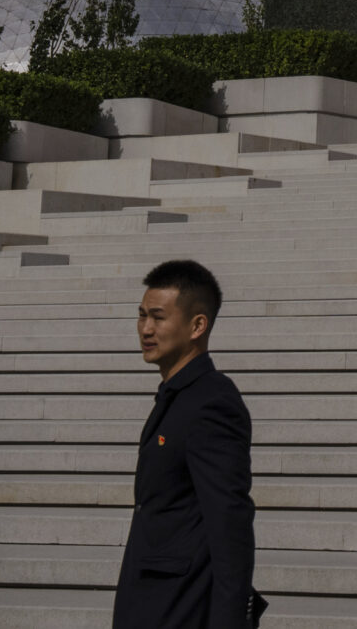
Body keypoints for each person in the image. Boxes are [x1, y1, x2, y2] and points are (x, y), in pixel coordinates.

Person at [115, 258, 263, 628]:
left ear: (198, 325)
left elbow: (230, 523)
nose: (146, 328)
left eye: (158, 317)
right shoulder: (176, 396)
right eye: (141, 315)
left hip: (181, 610)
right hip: (152, 603)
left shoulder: (211, 401)